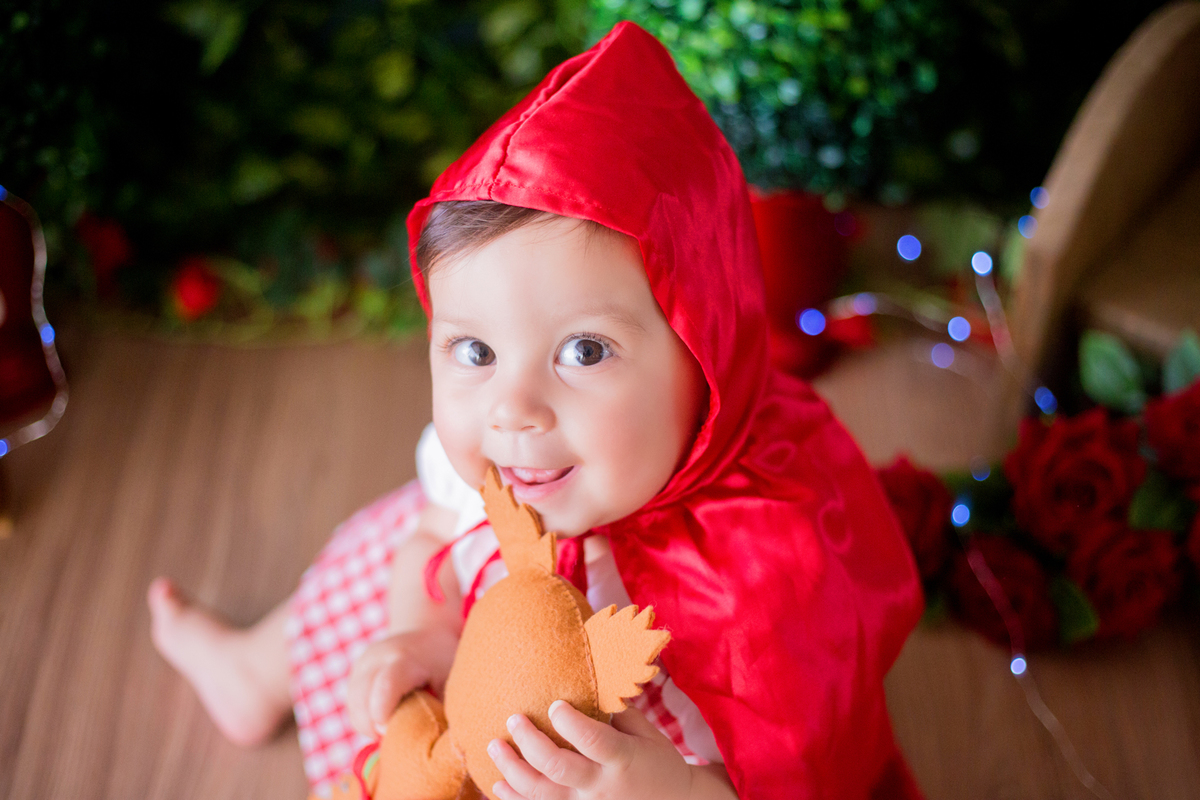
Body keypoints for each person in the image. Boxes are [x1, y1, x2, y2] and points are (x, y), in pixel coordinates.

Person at [148, 21, 924, 800]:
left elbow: (803, 756)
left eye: (583, 351)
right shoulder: (508, 468)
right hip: (478, 675)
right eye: (474, 351)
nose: (512, 411)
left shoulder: (767, 556)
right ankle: (254, 673)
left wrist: (676, 791)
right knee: (367, 562)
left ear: (704, 355)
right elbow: (433, 536)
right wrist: (423, 633)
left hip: (620, 761)